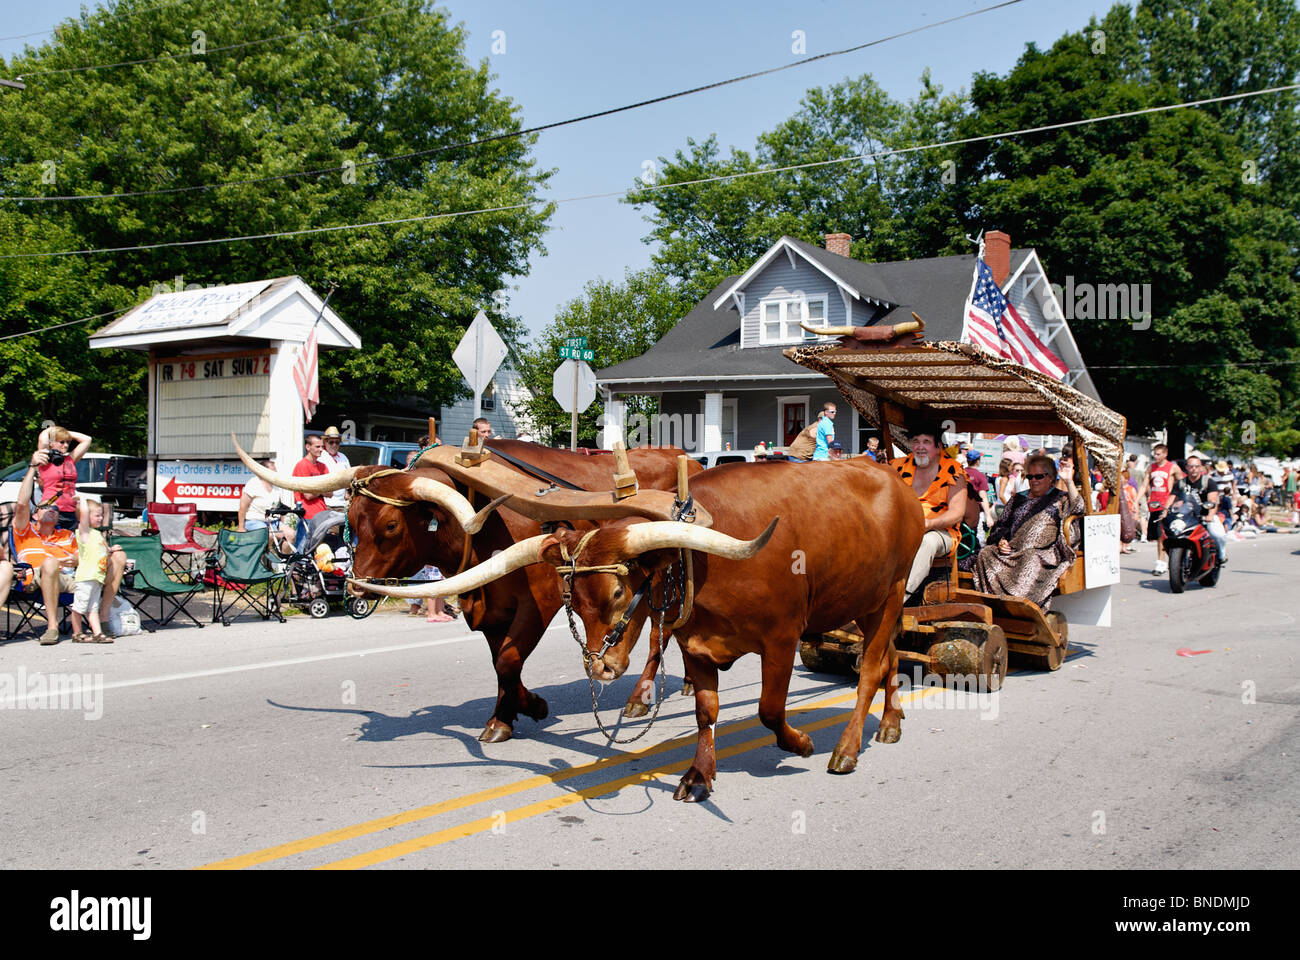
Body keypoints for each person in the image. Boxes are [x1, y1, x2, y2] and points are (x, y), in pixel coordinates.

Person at [12, 455, 120, 644]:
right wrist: (32, 468)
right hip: (37, 576)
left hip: (72, 578)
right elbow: (22, 504)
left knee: (118, 557)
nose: (52, 509)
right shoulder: (25, 531)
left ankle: (103, 619)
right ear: (35, 515)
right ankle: (52, 627)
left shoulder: (67, 535)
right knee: (51, 563)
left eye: (56, 508)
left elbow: (84, 557)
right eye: (46, 507)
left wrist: (79, 560)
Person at [971, 455, 1085, 607]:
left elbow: (1079, 508)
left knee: (1030, 559)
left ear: (1051, 478)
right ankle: (995, 603)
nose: (1034, 480)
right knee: (985, 553)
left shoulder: (1061, 498)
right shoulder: (1017, 499)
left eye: (1039, 476)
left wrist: (1068, 480)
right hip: (1012, 550)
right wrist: (1001, 541)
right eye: (1030, 477)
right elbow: (1001, 525)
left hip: (1042, 552)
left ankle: (1021, 607)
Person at [890, 422, 967, 599]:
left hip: (941, 531)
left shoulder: (954, 470)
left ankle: (900, 598)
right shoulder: (896, 467)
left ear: (938, 447)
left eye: (926, 442)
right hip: (900, 530)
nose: (920, 447)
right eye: (916, 441)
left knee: (927, 542)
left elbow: (956, 514)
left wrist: (929, 524)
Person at [69, 497, 121, 643]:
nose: (101, 518)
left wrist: (111, 549)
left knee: (93, 607)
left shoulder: (97, 534)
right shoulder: (84, 533)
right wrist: (83, 499)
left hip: (96, 577)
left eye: (101, 515)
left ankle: (97, 633)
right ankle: (77, 633)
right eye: (97, 515)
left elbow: (100, 551)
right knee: (79, 607)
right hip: (85, 577)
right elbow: (83, 514)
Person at [1169, 455, 1228, 563]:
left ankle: (1221, 554)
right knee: (1171, 535)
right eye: (1191, 466)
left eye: (1197, 466)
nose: (1194, 469)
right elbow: (1172, 499)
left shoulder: (1208, 482)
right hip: (1187, 517)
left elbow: (1212, 501)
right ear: (1186, 467)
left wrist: (1210, 516)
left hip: (1204, 516)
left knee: (1218, 535)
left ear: (1201, 468)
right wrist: (1165, 512)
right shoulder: (1181, 483)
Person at [35, 425, 93, 530]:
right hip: (52, 509)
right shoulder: (45, 460)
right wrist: (52, 430)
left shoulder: (69, 459)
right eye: (62, 442)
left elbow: (87, 439)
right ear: (51, 443)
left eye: (68, 442)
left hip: (71, 510)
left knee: (70, 543)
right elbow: (42, 439)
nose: (65, 445)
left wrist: (64, 433)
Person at [1137, 443, 1182, 575]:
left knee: (1163, 534)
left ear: (1165, 454)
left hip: (1167, 505)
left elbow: (1183, 484)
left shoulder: (1173, 467)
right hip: (1155, 505)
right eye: (1154, 454)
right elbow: (1144, 485)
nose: (1156, 456)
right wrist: (1136, 500)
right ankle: (1167, 561)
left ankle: (1162, 563)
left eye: (1158, 454)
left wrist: (1179, 500)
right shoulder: (1151, 468)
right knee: (1158, 536)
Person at [237, 459, 294, 553]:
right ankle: (264, 560)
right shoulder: (253, 483)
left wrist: (282, 523)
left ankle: (283, 562)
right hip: (255, 521)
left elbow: (278, 507)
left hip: (273, 522)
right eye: (273, 469)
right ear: (264, 471)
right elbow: (243, 507)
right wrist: (241, 527)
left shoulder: (276, 486)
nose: (276, 472)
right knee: (268, 535)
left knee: (291, 534)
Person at [292, 435, 329, 553]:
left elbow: (331, 492)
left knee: (320, 551)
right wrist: (323, 490)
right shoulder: (302, 465)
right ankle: (296, 570)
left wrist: (317, 491)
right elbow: (308, 495)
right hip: (307, 515)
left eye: (322, 446)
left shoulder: (323, 466)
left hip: (322, 514)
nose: (321, 449)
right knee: (302, 550)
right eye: (317, 446)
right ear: (308, 447)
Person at [317, 426, 352, 511]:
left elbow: (350, 476)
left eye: (337, 442)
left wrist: (348, 493)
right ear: (325, 442)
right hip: (326, 504)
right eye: (331, 442)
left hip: (342, 504)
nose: (334, 445)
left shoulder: (343, 457)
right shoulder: (320, 457)